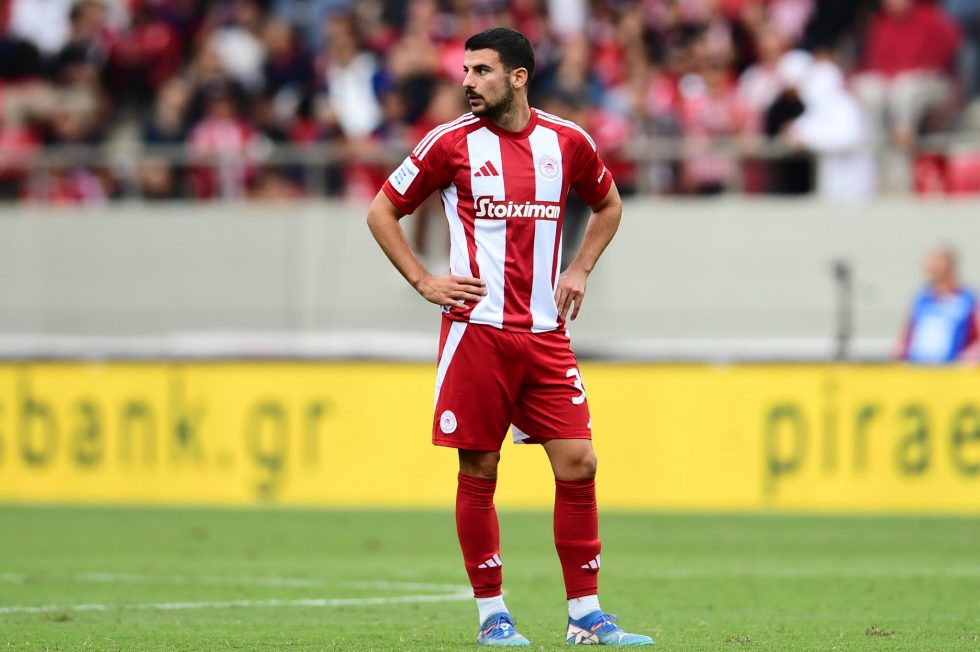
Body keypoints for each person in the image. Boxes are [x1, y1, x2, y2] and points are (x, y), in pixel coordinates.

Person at [366, 28, 652, 648]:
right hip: (477, 334)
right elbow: (381, 210)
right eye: (466, 71)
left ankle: (586, 615)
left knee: (579, 462)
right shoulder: (449, 144)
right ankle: (492, 615)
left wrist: (579, 268)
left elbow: (608, 205)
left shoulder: (567, 142)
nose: (468, 82)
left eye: (482, 71)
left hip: (546, 334)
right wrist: (423, 280)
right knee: (481, 465)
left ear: (518, 77)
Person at [899, 245, 980, 363]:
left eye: (938, 261)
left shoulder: (967, 299)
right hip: (917, 366)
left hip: (949, 369)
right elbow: (908, 336)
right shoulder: (922, 299)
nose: (932, 266)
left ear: (950, 265)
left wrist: (967, 359)